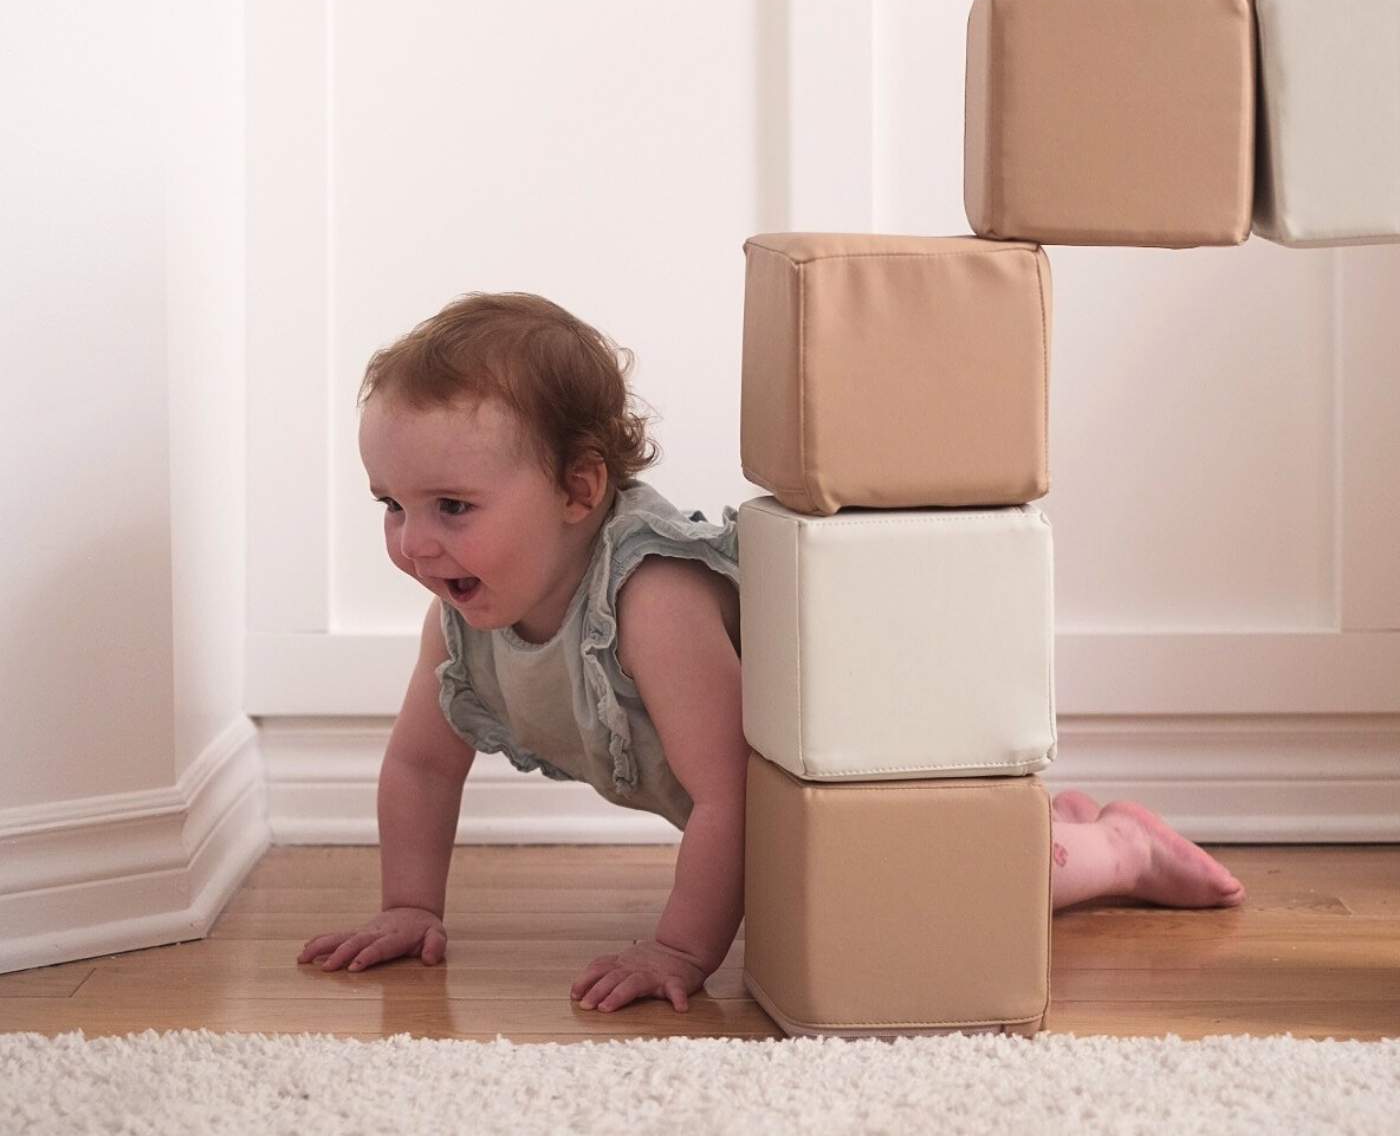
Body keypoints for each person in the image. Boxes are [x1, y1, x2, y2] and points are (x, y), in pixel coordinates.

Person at [297, 292, 1246, 1015]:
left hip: (866, 748)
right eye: (392, 505)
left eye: (452, 507)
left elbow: (735, 794)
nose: (414, 543)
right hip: (772, 806)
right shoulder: (461, 619)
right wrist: (409, 905)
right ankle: (1042, 828)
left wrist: (680, 950)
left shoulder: (651, 601)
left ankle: (1110, 848)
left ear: (579, 491)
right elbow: (422, 765)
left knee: (920, 900)